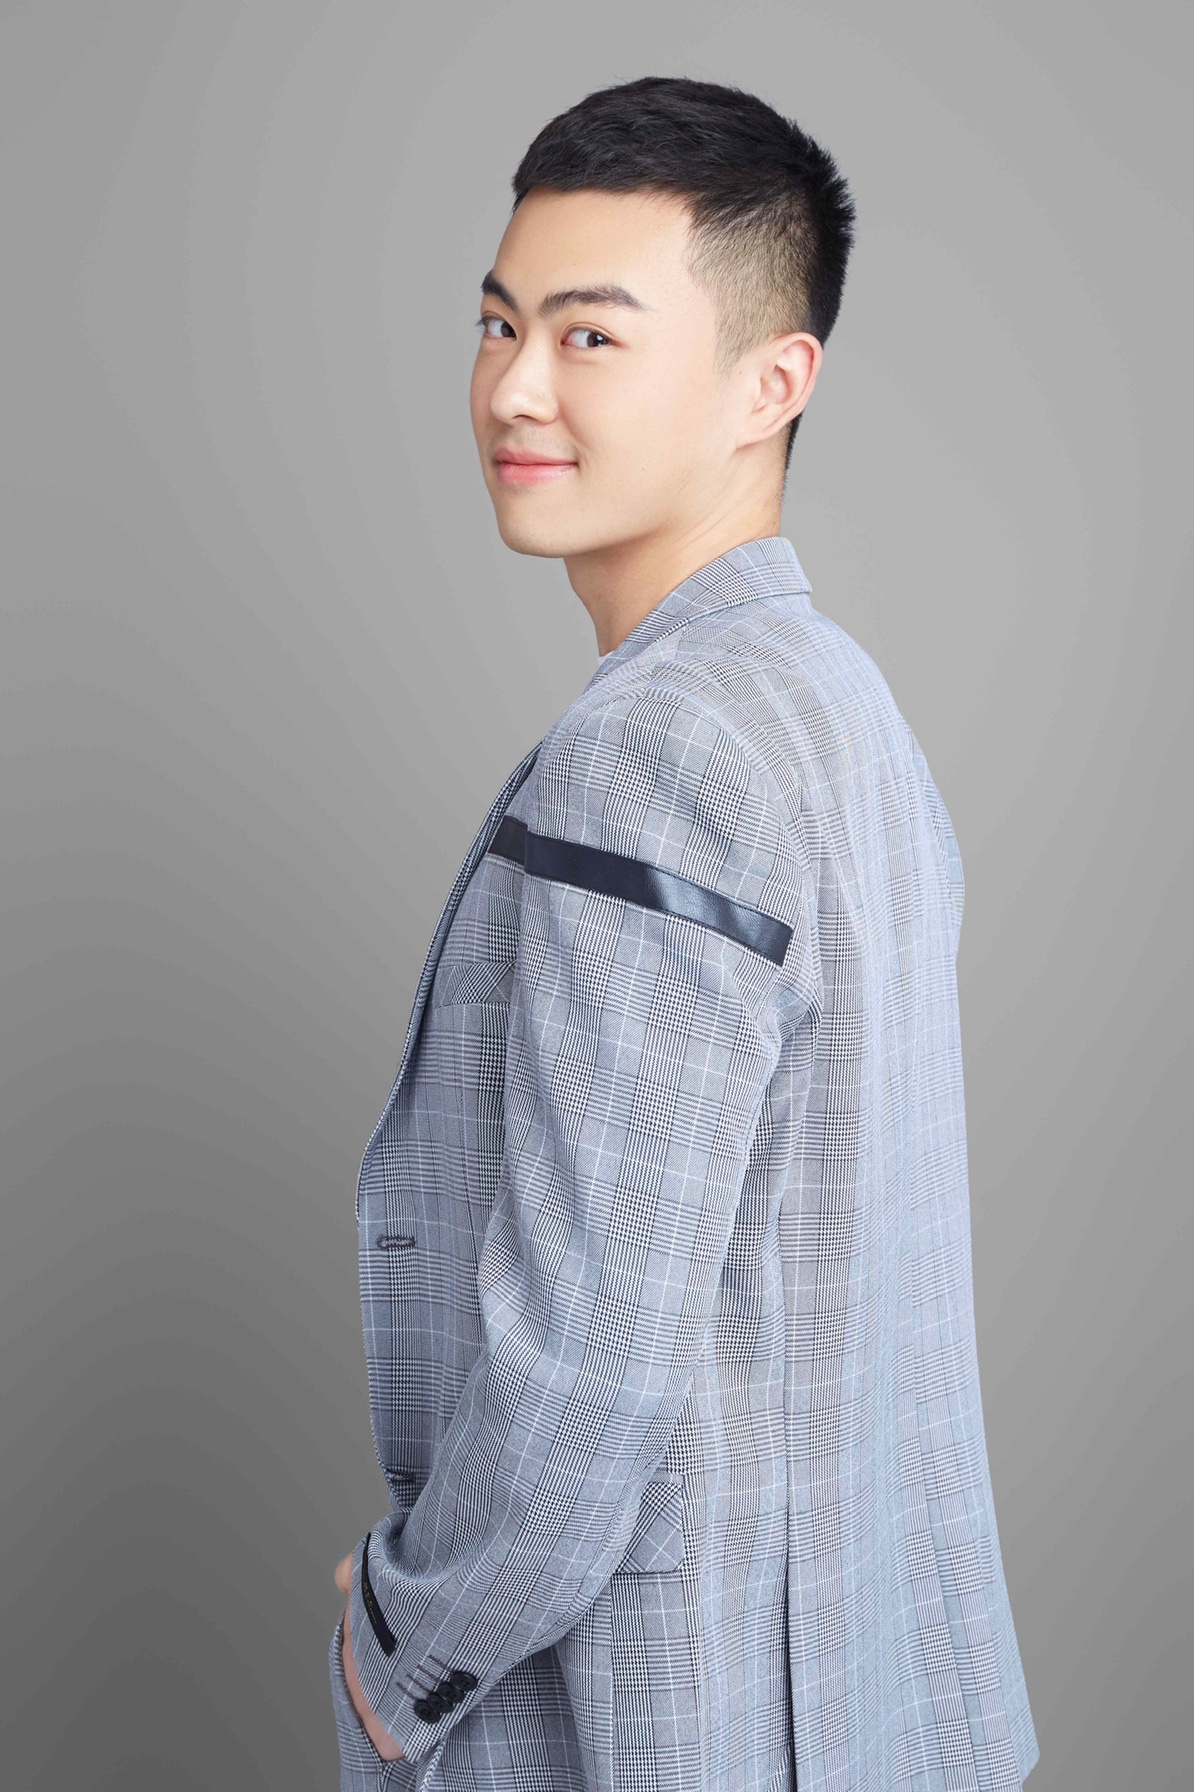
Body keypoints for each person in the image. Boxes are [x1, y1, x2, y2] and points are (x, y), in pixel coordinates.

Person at [327, 73, 1040, 1792]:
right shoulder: (835, 702)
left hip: (661, 1716)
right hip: (861, 1693)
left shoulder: (653, 752)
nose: (514, 386)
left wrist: (398, 1645)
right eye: (498, 324)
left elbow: (582, 1371)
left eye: (589, 336)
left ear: (769, 383)